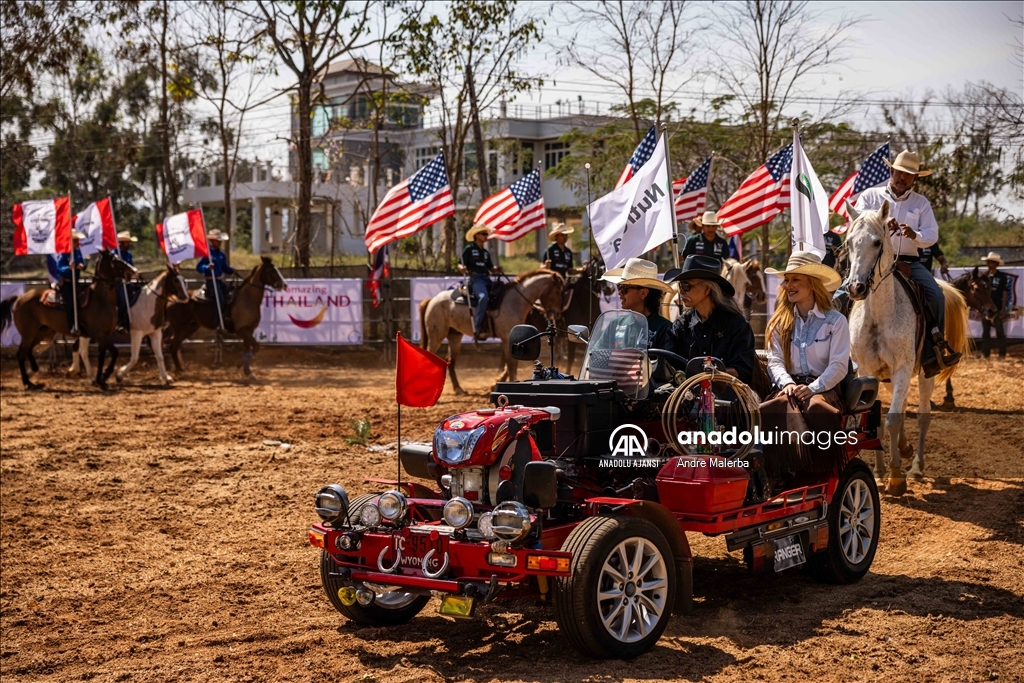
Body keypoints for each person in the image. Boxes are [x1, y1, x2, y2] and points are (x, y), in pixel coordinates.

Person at [854, 149, 961, 375]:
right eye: (899, 172)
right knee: (842, 296)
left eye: (909, 174)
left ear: (915, 178)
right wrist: (881, 222)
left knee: (937, 296)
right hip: (871, 261)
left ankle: (934, 350)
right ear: (891, 171)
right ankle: (839, 350)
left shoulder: (921, 204)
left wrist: (916, 236)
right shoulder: (870, 197)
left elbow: (932, 235)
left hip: (909, 263)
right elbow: (857, 222)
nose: (903, 178)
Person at [759, 251, 849, 472]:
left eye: (795, 279)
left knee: (816, 407)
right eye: (787, 280)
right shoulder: (780, 322)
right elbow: (775, 360)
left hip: (823, 388)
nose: (788, 285)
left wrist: (812, 388)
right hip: (789, 387)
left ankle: (819, 468)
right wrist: (787, 384)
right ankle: (777, 470)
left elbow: (839, 366)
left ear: (812, 284)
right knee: (769, 408)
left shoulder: (836, 321)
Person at [662, 254, 756, 384]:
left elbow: (743, 371)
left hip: (726, 399)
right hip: (686, 399)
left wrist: (709, 374)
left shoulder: (737, 326)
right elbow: (668, 366)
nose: (682, 291)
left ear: (707, 289)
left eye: (687, 286)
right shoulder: (680, 326)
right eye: (680, 286)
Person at [601, 258, 672, 348]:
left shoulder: (665, 329)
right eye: (619, 287)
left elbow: (667, 361)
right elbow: (596, 355)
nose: (619, 293)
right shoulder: (616, 324)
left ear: (643, 293)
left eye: (624, 288)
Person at [459, 224, 501, 341]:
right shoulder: (469, 249)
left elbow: (491, 268)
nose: (486, 236)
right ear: (476, 235)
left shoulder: (486, 253)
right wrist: (461, 267)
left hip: (487, 279)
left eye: (486, 234)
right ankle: (477, 328)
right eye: (483, 234)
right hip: (476, 280)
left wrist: (497, 269)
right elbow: (460, 263)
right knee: (484, 298)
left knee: (502, 295)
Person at [980, 252, 1011, 361]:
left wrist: (1003, 309)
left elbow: (1004, 293)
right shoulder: (984, 276)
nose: (988, 263)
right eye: (988, 262)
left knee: (1000, 331)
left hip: (997, 307)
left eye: (991, 262)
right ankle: (985, 354)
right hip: (985, 309)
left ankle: (1002, 354)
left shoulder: (1002, 277)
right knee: (985, 331)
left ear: (996, 264)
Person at [196, 229, 235, 313]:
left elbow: (224, 268)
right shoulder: (207, 253)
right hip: (211, 282)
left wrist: (232, 270)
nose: (219, 242)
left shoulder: (222, 254)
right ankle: (217, 322)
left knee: (232, 296)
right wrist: (207, 267)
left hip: (219, 281)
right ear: (212, 241)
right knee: (220, 300)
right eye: (218, 240)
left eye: (220, 240)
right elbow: (199, 267)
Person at [56, 231, 87, 332]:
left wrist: (82, 266)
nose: (78, 242)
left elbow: (83, 263)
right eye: (75, 240)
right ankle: (71, 325)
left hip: (76, 282)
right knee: (70, 303)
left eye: (78, 240)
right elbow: (59, 267)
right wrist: (69, 268)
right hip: (66, 283)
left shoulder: (78, 252)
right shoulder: (63, 253)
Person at [114, 231, 138, 331]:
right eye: (127, 242)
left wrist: (134, 272)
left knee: (138, 294)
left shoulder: (128, 254)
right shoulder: (115, 254)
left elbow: (131, 266)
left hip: (127, 281)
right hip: (118, 282)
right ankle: (119, 322)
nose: (129, 244)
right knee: (123, 300)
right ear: (122, 243)